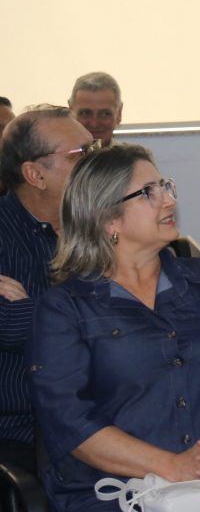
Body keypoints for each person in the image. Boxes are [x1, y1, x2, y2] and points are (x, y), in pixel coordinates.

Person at [28, 145, 200, 512]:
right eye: (149, 192)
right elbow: (69, 421)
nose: (169, 200)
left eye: (165, 186)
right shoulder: (64, 308)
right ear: (108, 219)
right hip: (117, 493)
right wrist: (174, 466)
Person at [0, 107, 96, 473]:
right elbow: (9, 326)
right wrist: (96, 309)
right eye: (80, 155)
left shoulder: (104, 223)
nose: (95, 163)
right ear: (35, 174)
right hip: (25, 427)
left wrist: (38, 306)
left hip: (109, 410)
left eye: (94, 149)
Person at [69, 71, 123, 147]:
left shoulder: (133, 155)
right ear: (70, 112)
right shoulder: (54, 153)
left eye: (105, 114)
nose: (94, 124)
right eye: (85, 113)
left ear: (119, 114)